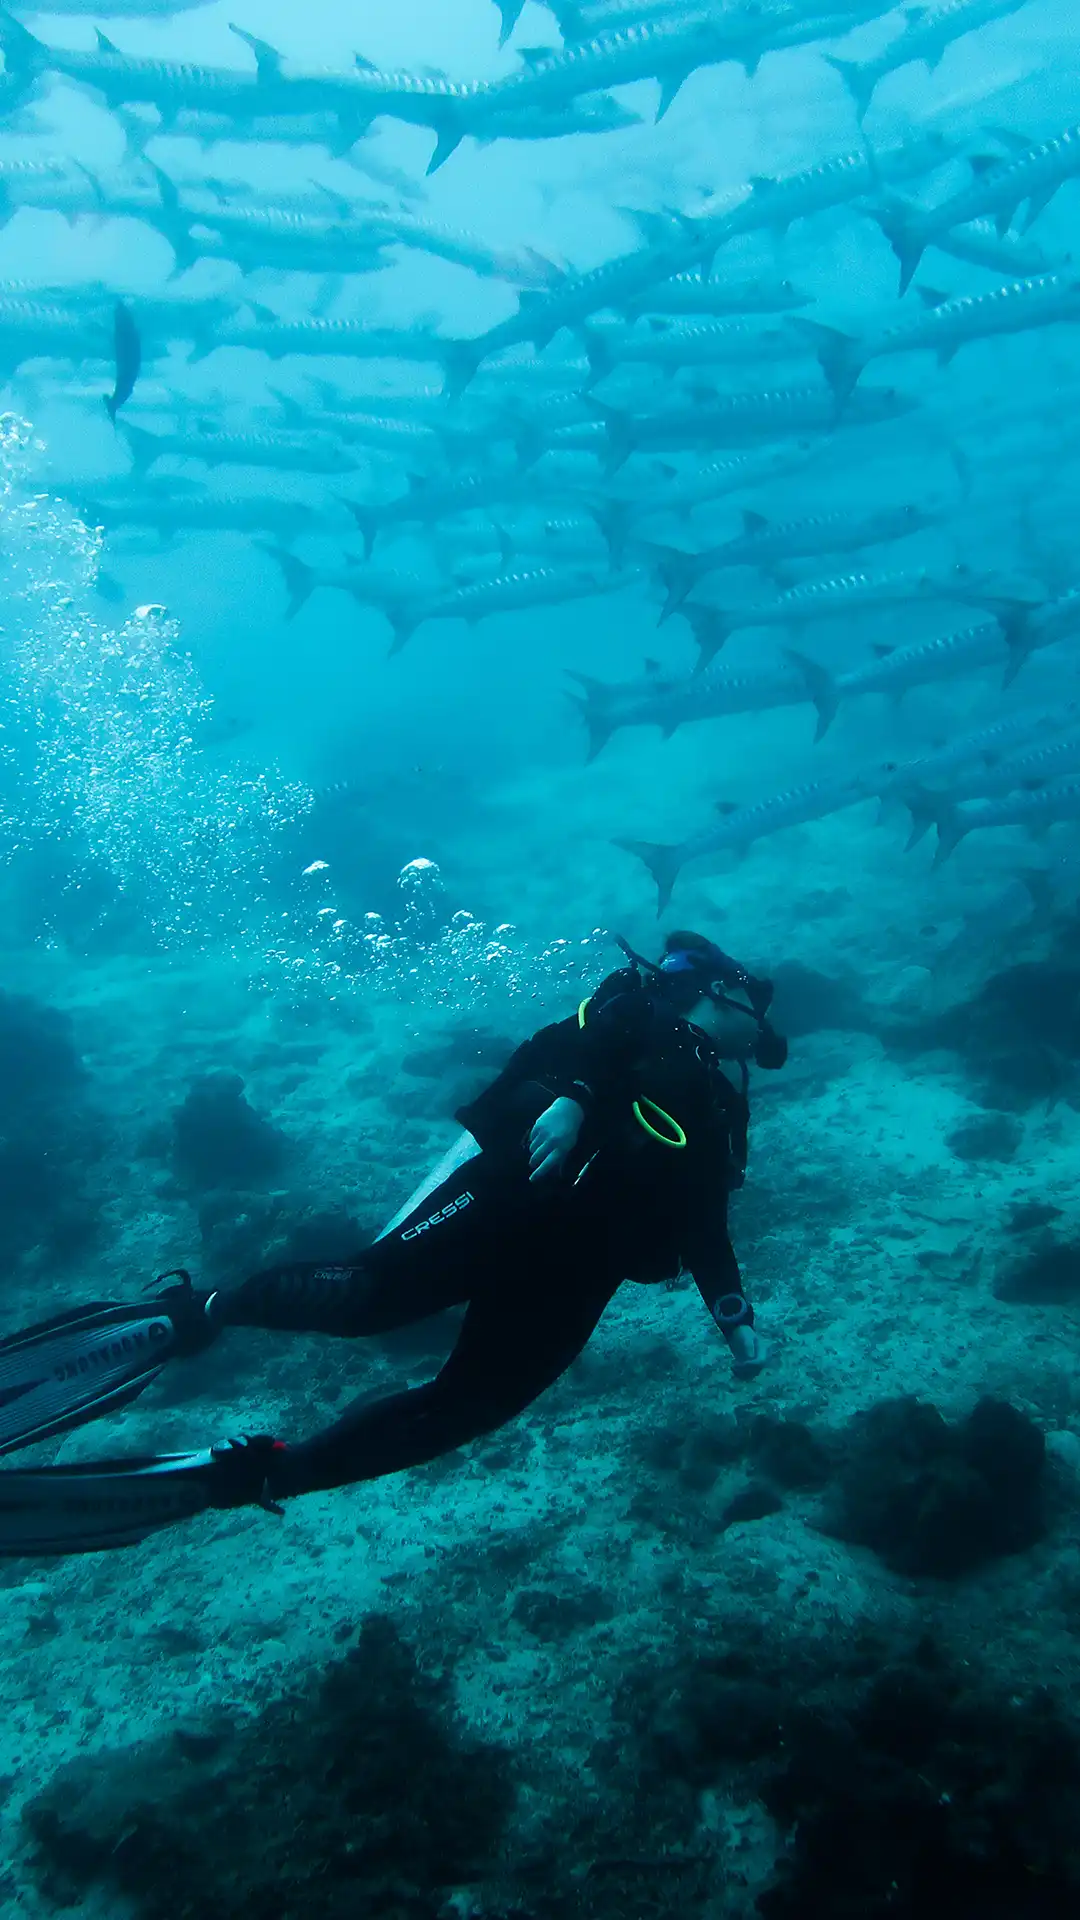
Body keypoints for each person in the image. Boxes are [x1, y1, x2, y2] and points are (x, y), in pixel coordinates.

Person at [0, 930, 788, 1557]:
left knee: (464, 1410)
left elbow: (703, 1217)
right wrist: (578, 1099)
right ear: (721, 991)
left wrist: (733, 1315)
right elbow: (591, 1042)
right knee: (367, 1299)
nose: (767, 1025)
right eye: (759, 1003)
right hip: (510, 1201)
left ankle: (260, 1473)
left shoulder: (721, 1104)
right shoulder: (640, 1007)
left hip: (580, 1272)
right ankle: (191, 1314)